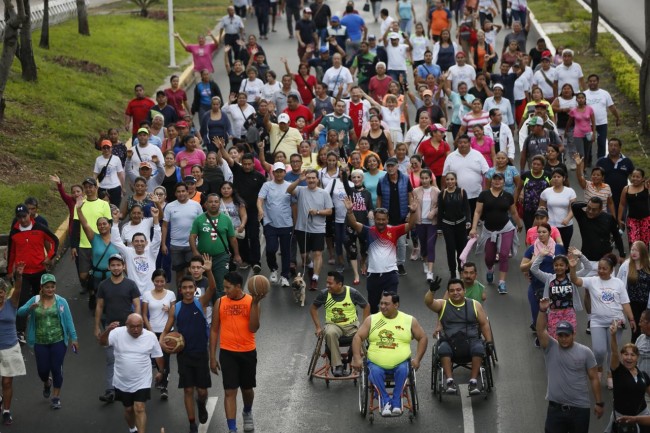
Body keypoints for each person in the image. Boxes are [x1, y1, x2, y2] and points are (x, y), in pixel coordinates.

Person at [351, 291, 428, 416]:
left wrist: (417, 359)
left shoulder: (409, 320)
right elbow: (357, 337)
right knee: (374, 372)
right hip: (376, 363)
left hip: (401, 363)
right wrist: (357, 358)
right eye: (381, 303)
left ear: (396, 305)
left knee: (403, 370)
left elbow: (423, 337)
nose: (382, 307)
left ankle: (397, 401)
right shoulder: (372, 319)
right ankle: (386, 401)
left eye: (386, 304)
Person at [160, 266, 216, 433]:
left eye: (190, 287)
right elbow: (166, 330)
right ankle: (192, 424)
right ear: (180, 290)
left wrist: (209, 271)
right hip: (184, 356)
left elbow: (212, 288)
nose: (188, 290)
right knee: (188, 389)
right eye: (184, 288)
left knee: (202, 392)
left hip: (200, 354)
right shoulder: (175, 308)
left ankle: (201, 404)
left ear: (195, 289)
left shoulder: (201, 303)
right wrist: (162, 341)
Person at [209, 272, 266, 433]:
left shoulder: (251, 301)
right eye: (224, 287)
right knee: (229, 391)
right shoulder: (220, 303)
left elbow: (253, 328)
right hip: (228, 353)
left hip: (247, 352)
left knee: (247, 390)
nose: (225, 290)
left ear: (238, 287)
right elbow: (214, 331)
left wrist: (255, 304)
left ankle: (247, 411)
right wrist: (212, 357)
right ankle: (232, 429)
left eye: (228, 287)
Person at [536, 302, 603, 433]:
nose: (563, 339)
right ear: (557, 336)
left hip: (580, 409)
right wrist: (542, 311)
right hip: (555, 410)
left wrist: (599, 403)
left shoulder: (585, 352)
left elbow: (594, 378)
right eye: (560, 335)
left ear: (573, 335)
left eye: (567, 335)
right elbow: (540, 330)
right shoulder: (550, 347)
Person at [570, 253, 636, 388]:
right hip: (597, 322)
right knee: (599, 350)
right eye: (599, 268)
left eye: (604, 268)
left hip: (615, 322)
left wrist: (631, 319)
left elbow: (625, 302)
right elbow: (575, 280)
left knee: (612, 350)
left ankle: (610, 373)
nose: (601, 271)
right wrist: (572, 268)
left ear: (611, 270)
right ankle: (599, 367)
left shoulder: (617, 283)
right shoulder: (593, 280)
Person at [344, 196, 417, 313]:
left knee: (391, 305)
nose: (381, 222)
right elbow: (353, 223)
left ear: (387, 219)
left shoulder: (394, 230)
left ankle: (390, 328)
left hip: (391, 274)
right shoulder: (369, 231)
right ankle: (376, 328)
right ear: (375, 219)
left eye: (383, 219)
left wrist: (413, 212)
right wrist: (349, 211)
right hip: (373, 275)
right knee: (373, 306)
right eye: (378, 219)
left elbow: (411, 225)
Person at [16, 273, 78, 410]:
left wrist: (74, 338)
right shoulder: (35, 299)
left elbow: (68, 320)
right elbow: (19, 312)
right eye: (47, 287)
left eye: (52, 286)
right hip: (40, 342)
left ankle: (56, 397)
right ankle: (46, 382)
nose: (50, 289)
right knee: (42, 370)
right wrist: (29, 308)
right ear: (42, 288)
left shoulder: (61, 301)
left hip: (58, 340)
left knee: (57, 369)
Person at [425, 278, 493, 395]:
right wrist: (431, 291)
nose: (455, 293)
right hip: (450, 341)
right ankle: (450, 381)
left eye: (458, 290)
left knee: (479, 348)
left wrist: (489, 342)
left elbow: (484, 324)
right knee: (443, 349)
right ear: (448, 292)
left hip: (471, 340)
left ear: (464, 291)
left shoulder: (475, 305)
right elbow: (429, 302)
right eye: (452, 291)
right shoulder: (443, 304)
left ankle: (473, 382)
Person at [99, 314, 163, 433]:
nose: (136, 329)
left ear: (143, 325)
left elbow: (158, 355)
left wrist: (161, 371)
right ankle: (132, 428)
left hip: (142, 379)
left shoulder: (150, 336)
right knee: (128, 410)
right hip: (122, 380)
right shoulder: (117, 332)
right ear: (126, 326)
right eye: (132, 327)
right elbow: (102, 343)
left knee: (139, 408)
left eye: (139, 326)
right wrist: (107, 331)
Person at [7, 203, 59, 343]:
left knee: (42, 299)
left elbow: (54, 240)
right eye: (19, 217)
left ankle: (44, 324)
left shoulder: (40, 228)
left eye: (24, 216)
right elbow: (11, 253)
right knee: (22, 300)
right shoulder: (14, 232)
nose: (22, 220)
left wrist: (50, 257)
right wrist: (9, 272)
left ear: (29, 214)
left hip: (39, 271)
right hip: (22, 273)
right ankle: (20, 331)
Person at [94, 254, 141, 403]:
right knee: (111, 359)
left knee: (129, 357)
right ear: (109, 267)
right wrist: (96, 326)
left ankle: (132, 386)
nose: (116, 268)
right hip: (110, 328)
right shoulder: (103, 285)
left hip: (128, 328)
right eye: (113, 265)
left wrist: (137, 324)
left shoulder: (131, 284)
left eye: (118, 265)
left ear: (123, 266)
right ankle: (110, 390)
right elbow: (99, 306)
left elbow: (137, 305)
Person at [470, 172, 524, 294]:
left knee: (504, 254)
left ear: (504, 182)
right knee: (489, 257)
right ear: (491, 182)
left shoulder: (508, 196)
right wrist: (474, 227)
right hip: (489, 230)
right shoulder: (484, 195)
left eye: (500, 180)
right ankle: (490, 269)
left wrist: (519, 224)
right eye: (495, 180)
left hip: (506, 228)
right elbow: (477, 212)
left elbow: (513, 212)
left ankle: (502, 283)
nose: (497, 182)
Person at [310, 271, 370, 376]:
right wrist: (318, 327)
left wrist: (364, 325)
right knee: (329, 333)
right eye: (327, 283)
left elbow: (366, 306)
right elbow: (313, 308)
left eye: (330, 283)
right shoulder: (324, 294)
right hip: (333, 325)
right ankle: (338, 365)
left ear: (339, 284)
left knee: (360, 335)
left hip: (351, 326)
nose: (327, 285)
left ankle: (353, 356)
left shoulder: (352, 293)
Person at [287, 169, 333, 289]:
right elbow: (289, 190)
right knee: (304, 256)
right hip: (302, 228)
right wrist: (299, 180)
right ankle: (309, 264)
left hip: (318, 229)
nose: (311, 180)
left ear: (318, 179)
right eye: (309, 178)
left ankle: (315, 278)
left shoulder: (324, 193)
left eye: (313, 178)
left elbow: (329, 211)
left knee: (318, 253)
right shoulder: (301, 190)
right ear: (306, 179)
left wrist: (317, 212)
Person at [190, 193, 242, 297]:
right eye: (210, 202)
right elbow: (192, 237)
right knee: (203, 283)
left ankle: (219, 307)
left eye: (216, 202)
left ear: (219, 204)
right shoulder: (199, 219)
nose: (213, 204)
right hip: (203, 258)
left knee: (221, 283)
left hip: (221, 257)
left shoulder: (226, 219)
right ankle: (205, 306)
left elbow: (232, 238)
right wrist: (195, 253)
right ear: (206, 204)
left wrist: (237, 254)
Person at [110, 206, 161, 295]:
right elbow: (115, 241)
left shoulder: (151, 252)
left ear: (146, 243)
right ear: (132, 243)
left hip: (150, 294)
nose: (139, 243)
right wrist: (115, 222)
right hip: (134, 294)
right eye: (136, 241)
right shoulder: (129, 252)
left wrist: (156, 219)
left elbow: (157, 239)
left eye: (142, 241)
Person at [257, 162, 293, 287]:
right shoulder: (267, 185)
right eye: (276, 171)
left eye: (281, 171)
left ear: (284, 173)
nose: (278, 173)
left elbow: (296, 200)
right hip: (270, 223)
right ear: (273, 173)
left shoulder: (289, 186)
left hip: (286, 223)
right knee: (271, 248)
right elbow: (260, 199)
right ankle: (273, 269)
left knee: (285, 251)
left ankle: (285, 276)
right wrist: (260, 209)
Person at [141, 270, 176, 399]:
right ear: (153, 281)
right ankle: (160, 374)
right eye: (157, 281)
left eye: (162, 281)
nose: (159, 284)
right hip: (151, 331)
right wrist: (149, 329)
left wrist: (169, 310)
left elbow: (174, 313)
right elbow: (144, 314)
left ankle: (164, 386)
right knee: (154, 358)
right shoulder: (146, 295)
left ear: (165, 281)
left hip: (167, 331)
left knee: (165, 358)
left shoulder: (171, 294)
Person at [442, 134, 489, 224]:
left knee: (473, 219)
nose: (462, 144)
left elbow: (487, 173)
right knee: (460, 220)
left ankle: (471, 236)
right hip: (457, 196)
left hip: (476, 195)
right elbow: (444, 175)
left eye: (465, 142)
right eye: (460, 143)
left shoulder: (477, 155)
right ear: (457, 144)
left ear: (469, 143)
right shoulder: (451, 157)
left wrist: (486, 191)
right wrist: (443, 192)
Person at [0, 263, 26, 425]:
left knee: (7, 382)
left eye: (1, 292)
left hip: (10, 347)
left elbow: (17, 289)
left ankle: (6, 411)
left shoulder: (11, 303)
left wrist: (19, 276)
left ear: (4, 292)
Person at [616, 241, 650, 343]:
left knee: (646, 330)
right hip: (632, 304)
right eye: (632, 250)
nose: (633, 252)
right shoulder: (626, 265)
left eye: (636, 250)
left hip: (646, 304)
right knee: (636, 330)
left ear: (643, 252)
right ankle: (633, 354)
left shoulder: (648, 265)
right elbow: (618, 282)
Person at [412, 169, 440, 283]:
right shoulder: (415, 191)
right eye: (422, 178)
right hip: (420, 222)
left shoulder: (437, 191)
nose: (424, 180)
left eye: (426, 178)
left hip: (432, 223)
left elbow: (440, 206)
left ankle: (430, 272)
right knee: (423, 246)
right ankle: (424, 261)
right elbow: (413, 205)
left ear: (430, 178)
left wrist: (433, 212)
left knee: (430, 245)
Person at [596, 138, 634, 218]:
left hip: (622, 197)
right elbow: (595, 178)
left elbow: (634, 177)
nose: (613, 147)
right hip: (606, 197)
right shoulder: (601, 161)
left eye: (616, 145)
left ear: (620, 148)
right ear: (608, 147)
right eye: (611, 145)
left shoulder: (627, 161)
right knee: (608, 221)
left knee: (621, 220)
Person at [539, 168, 576, 247]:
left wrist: (568, 218)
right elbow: (541, 208)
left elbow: (574, 208)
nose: (556, 179)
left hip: (566, 226)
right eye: (554, 176)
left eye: (558, 177)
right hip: (550, 226)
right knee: (550, 248)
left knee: (564, 248)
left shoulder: (570, 191)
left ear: (564, 178)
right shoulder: (546, 192)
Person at [94, 139, 125, 208]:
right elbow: (95, 174)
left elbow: (120, 174)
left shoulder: (116, 159)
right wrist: (94, 186)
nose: (106, 150)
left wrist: (123, 187)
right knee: (102, 208)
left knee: (115, 208)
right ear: (101, 149)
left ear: (111, 148)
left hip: (115, 187)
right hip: (102, 187)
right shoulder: (98, 159)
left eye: (108, 147)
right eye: (104, 148)